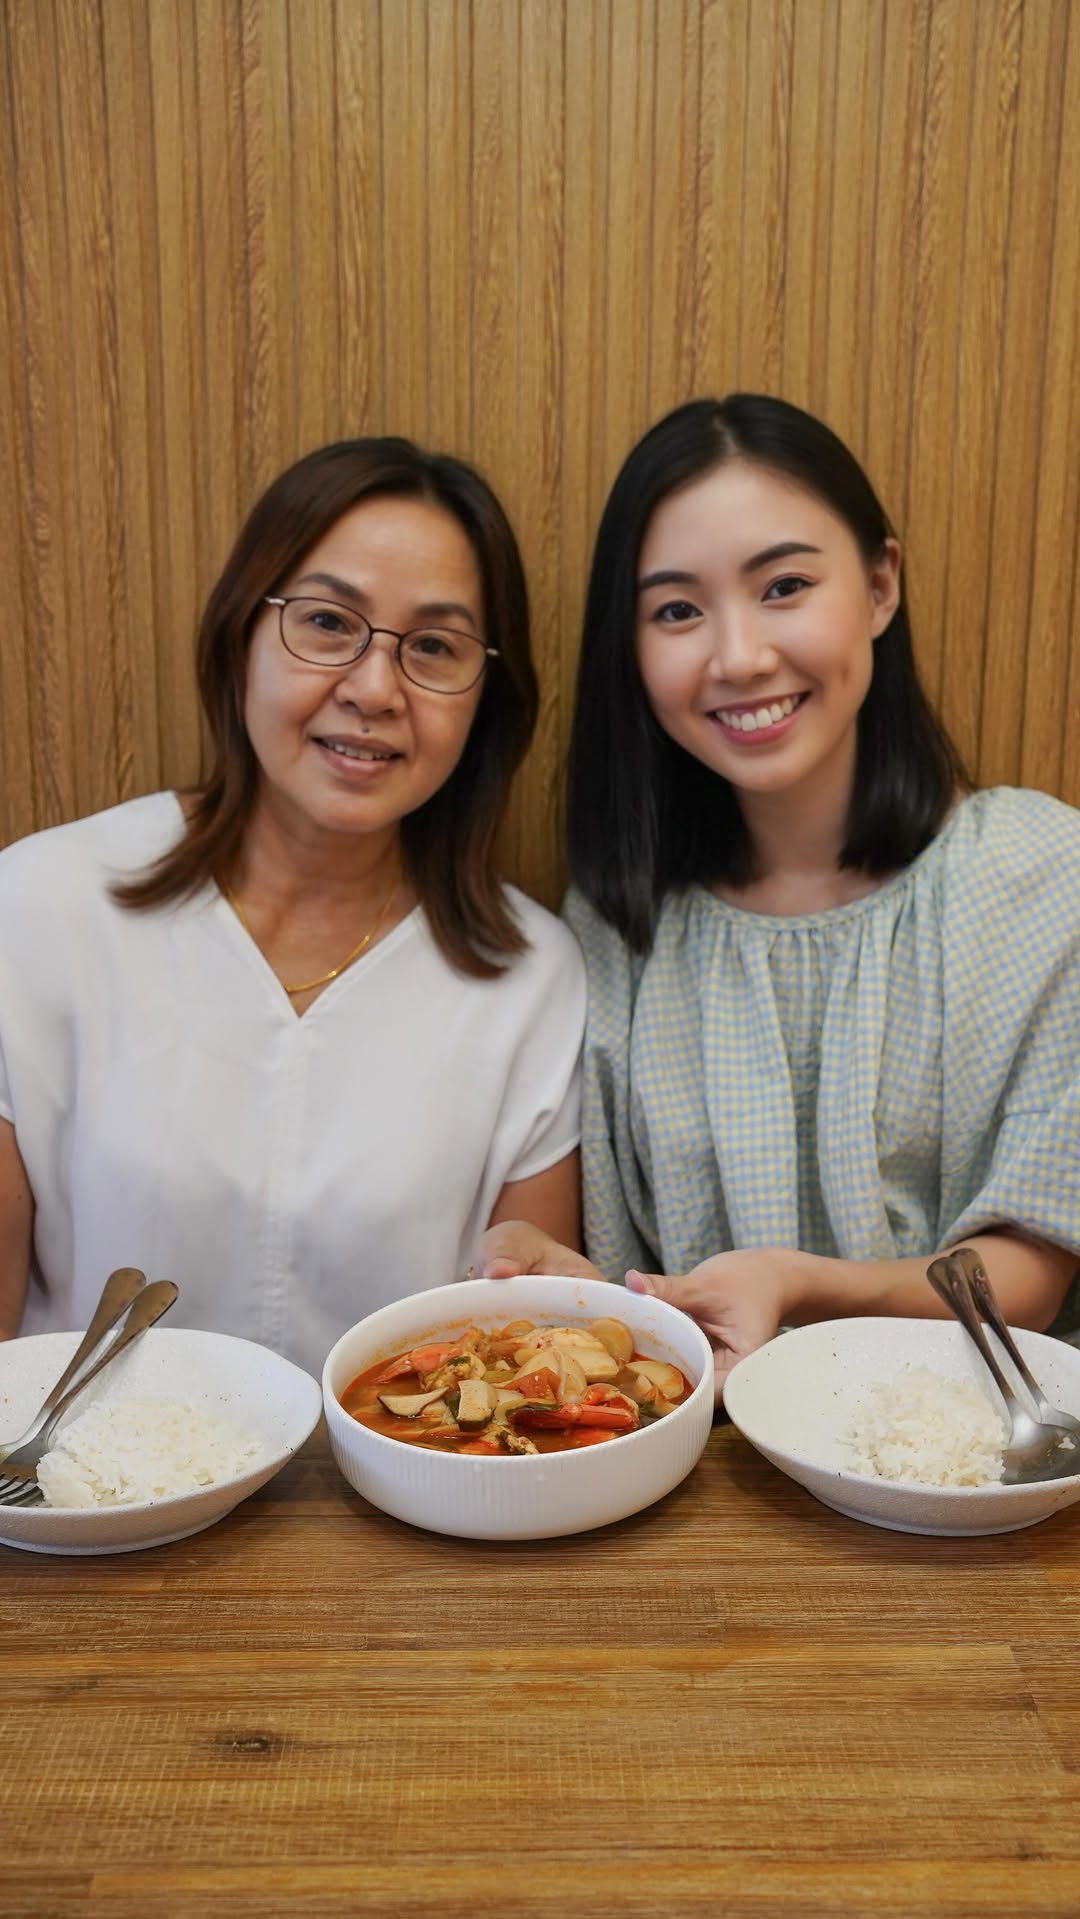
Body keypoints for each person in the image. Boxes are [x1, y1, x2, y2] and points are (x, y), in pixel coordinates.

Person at [481, 393, 1080, 1395]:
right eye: (677, 609)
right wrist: (562, 1278)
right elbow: (635, 1287)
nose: (739, 655)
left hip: (971, 1465)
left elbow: (1032, 1268)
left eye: (784, 585)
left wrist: (797, 1286)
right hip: (699, 1479)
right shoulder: (616, 922)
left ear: (881, 584)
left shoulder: (1037, 872)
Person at [0, 437, 585, 1377]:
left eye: (434, 646)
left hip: (395, 1509)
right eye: (325, 622)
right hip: (85, 1501)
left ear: (486, 699)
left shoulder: (532, 973)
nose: (372, 688)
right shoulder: (39, 906)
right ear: (241, 632)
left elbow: (522, 1367)